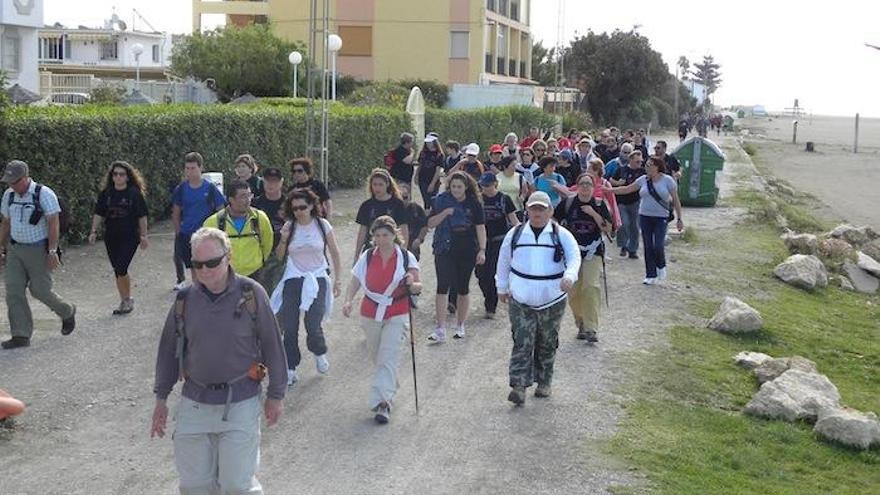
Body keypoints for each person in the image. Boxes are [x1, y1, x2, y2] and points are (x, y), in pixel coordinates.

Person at [151, 227, 287, 495]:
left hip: (240, 403)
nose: (205, 270)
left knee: (237, 485)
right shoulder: (184, 300)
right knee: (194, 486)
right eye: (197, 264)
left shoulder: (252, 294)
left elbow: (273, 344)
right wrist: (161, 400)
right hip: (194, 404)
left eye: (212, 262)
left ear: (229, 257)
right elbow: (168, 351)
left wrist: (276, 394)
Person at [496, 191, 581, 405]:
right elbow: (504, 261)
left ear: (550, 211)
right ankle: (519, 386)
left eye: (542, 209)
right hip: (521, 299)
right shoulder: (515, 234)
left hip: (552, 299)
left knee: (547, 341)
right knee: (522, 341)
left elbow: (574, 257)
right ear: (527, 210)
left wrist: (570, 277)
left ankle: (544, 382)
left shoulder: (561, 235)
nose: (537, 213)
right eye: (533, 208)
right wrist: (501, 287)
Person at [341, 216, 421, 424]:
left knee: (387, 356)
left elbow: (418, 285)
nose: (381, 239)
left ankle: (382, 403)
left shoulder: (405, 256)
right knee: (379, 357)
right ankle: (389, 384)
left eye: (385, 235)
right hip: (370, 312)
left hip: (397, 311)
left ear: (395, 235)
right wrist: (348, 300)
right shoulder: (367, 256)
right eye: (377, 235)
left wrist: (412, 284)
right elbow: (356, 280)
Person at [0, 160, 77, 349]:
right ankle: (21, 334)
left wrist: (52, 251)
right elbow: (6, 223)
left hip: (38, 249)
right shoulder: (9, 195)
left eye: (14, 181)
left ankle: (67, 311)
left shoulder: (44, 194)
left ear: (25, 178)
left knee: (40, 290)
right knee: (13, 291)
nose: (11, 185)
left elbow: (53, 223)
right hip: (15, 249)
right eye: (9, 182)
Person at [270, 189, 342, 386]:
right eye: (295, 208)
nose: (299, 211)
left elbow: (335, 253)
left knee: (312, 323)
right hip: (294, 278)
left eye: (303, 207)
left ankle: (319, 351)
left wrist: (338, 280)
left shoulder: (322, 224)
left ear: (311, 205)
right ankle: (290, 367)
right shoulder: (289, 226)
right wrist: (283, 239)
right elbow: (279, 256)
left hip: (317, 277)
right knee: (290, 325)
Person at [427, 171, 486, 342]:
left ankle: (460, 325)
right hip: (444, 247)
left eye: (459, 186)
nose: (456, 190)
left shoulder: (474, 204)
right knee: (442, 286)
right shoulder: (441, 201)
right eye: (453, 186)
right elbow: (430, 223)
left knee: (463, 287)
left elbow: (480, 227)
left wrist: (482, 250)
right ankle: (440, 328)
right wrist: (445, 213)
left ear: (466, 187)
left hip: (467, 248)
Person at [88, 161, 150, 315]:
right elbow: (98, 213)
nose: (118, 177)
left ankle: (127, 299)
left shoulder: (134, 194)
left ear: (128, 177)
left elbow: (142, 216)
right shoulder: (106, 194)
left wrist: (144, 235)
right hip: (111, 237)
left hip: (130, 237)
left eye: (121, 174)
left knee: (122, 267)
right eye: (115, 174)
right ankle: (124, 300)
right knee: (118, 270)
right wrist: (93, 231)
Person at [555, 175, 611, 342]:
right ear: (577, 186)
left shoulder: (599, 204)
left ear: (594, 187)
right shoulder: (568, 203)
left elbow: (608, 227)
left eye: (589, 184)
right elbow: (553, 219)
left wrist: (594, 214)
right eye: (582, 184)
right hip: (572, 253)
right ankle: (580, 321)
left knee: (591, 286)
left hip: (593, 251)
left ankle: (591, 328)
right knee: (574, 291)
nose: (585, 187)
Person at [611, 157, 684, 284]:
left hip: (661, 217)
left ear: (657, 166)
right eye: (646, 165)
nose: (647, 167)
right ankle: (650, 274)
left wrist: (679, 218)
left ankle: (661, 265)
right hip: (644, 216)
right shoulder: (643, 180)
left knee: (658, 245)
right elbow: (627, 189)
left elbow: (676, 200)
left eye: (650, 165)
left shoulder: (668, 180)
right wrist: (610, 190)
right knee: (648, 245)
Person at [172, 152, 226, 289]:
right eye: (187, 168)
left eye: (193, 168)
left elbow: (221, 210)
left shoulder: (210, 188)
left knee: (206, 265)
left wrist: (218, 231)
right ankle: (198, 292)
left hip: (205, 234)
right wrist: (178, 231)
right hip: (186, 233)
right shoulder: (181, 189)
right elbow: (176, 211)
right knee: (193, 267)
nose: (190, 172)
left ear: (201, 168)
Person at [203, 180, 274, 280]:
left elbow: (267, 243)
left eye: (249, 195)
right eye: (243, 196)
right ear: (231, 199)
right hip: (225, 275)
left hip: (255, 274)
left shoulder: (260, 218)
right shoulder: (213, 222)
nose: (248, 200)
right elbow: (206, 250)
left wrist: (258, 261)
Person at [475, 172, 519, 319]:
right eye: (482, 185)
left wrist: (521, 236)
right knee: (480, 274)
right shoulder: (478, 199)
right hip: (481, 242)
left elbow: (514, 221)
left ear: (495, 183)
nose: (485, 188)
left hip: (499, 241)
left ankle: (490, 306)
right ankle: (488, 297)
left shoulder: (504, 199)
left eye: (487, 185)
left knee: (491, 273)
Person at [353, 168, 410, 264]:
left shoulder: (397, 204)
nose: (377, 188)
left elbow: (403, 229)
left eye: (380, 185)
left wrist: (403, 252)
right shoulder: (366, 205)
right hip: (371, 249)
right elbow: (362, 232)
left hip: (392, 249)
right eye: (374, 184)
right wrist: (356, 256)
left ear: (387, 184)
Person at [610, 150, 645, 259]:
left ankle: (633, 250)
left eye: (640, 161)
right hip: (621, 201)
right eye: (637, 161)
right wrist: (618, 183)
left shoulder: (643, 172)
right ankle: (623, 245)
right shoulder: (622, 169)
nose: (639, 164)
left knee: (635, 226)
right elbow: (611, 180)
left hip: (636, 201)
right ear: (631, 160)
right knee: (623, 223)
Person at [252, 167, 286, 249]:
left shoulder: (289, 203)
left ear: (281, 182)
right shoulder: (254, 203)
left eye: (274, 181)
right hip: (261, 246)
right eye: (268, 181)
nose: (271, 184)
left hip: (283, 246)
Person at [414, 134, 444, 210]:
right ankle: (426, 215)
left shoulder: (439, 155)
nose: (428, 144)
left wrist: (432, 184)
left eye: (430, 142)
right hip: (422, 179)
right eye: (427, 142)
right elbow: (420, 165)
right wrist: (416, 176)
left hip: (432, 179)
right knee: (426, 200)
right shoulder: (423, 153)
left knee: (433, 200)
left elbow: (438, 170)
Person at [399, 184, 428, 260]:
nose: (402, 200)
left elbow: (424, 226)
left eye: (405, 197)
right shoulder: (392, 210)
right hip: (396, 246)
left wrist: (419, 239)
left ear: (409, 196)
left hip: (413, 246)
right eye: (399, 197)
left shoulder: (417, 209)